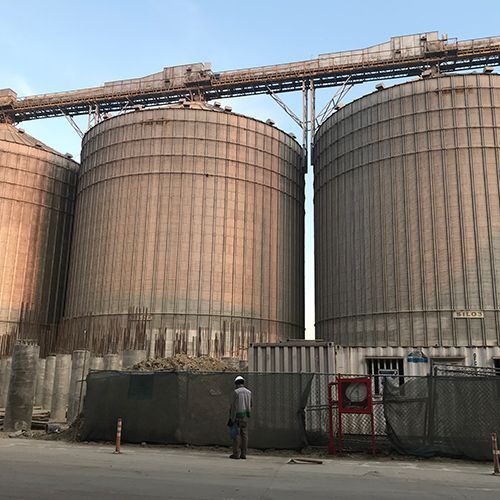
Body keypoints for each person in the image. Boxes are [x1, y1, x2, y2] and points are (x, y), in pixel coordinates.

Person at [228, 375, 252, 459]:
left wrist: (232, 418)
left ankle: (236, 454)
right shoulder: (249, 392)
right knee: (244, 435)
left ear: (236, 384)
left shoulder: (236, 392)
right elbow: (250, 404)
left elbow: (234, 406)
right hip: (245, 416)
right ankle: (243, 454)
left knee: (236, 435)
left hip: (237, 416)